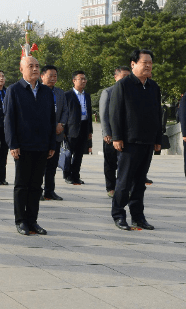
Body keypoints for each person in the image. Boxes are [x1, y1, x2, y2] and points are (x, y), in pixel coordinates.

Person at [4, 56, 57, 236]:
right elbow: (9, 120)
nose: (35, 69)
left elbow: (52, 120)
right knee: (22, 185)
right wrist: (13, 144)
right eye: (30, 66)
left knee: (36, 186)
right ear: (21, 69)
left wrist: (51, 144)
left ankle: (32, 220)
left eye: (37, 66)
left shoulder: (46, 92)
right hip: (23, 146)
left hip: (42, 145)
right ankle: (21, 221)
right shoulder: (14, 90)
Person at [109, 49, 161, 231]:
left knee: (140, 183)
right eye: (144, 62)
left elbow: (157, 114)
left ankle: (138, 217)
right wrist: (117, 137)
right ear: (133, 64)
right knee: (123, 182)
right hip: (128, 142)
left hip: (147, 141)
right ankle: (118, 215)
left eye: (150, 63)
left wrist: (157, 138)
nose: (148, 66)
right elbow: (115, 113)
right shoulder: (123, 85)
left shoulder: (153, 87)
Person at [99, 66, 131, 198]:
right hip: (111, 135)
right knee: (110, 163)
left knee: (125, 163)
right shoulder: (108, 92)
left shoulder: (132, 92)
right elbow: (103, 114)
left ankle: (123, 187)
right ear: (116, 77)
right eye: (123, 76)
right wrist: (107, 133)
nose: (126, 79)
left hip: (128, 135)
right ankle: (111, 187)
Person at [40, 65, 67, 201]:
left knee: (52, 165)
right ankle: (37, 190)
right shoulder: (38, 91)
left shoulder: (60, 92)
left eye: (55, 75)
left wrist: (61, 124)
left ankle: (49, 191)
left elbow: (65, 111)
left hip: (56, 134)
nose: (53, 78)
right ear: (42, 76)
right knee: (39, 165)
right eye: (50, 75)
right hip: (42, 135)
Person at [63, 71, 93, 185]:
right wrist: (64, 130)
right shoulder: (67, 95)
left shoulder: (87, 95)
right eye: (81, 79)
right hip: (71, 129)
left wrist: (90, 131)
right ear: (74, 80)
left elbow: (89, 114)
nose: (84, 81)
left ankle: (76, 175)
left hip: (84, 127)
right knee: (68, 154)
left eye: (85, 79)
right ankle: (67, 175)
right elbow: (65, 113)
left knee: (79, 154)